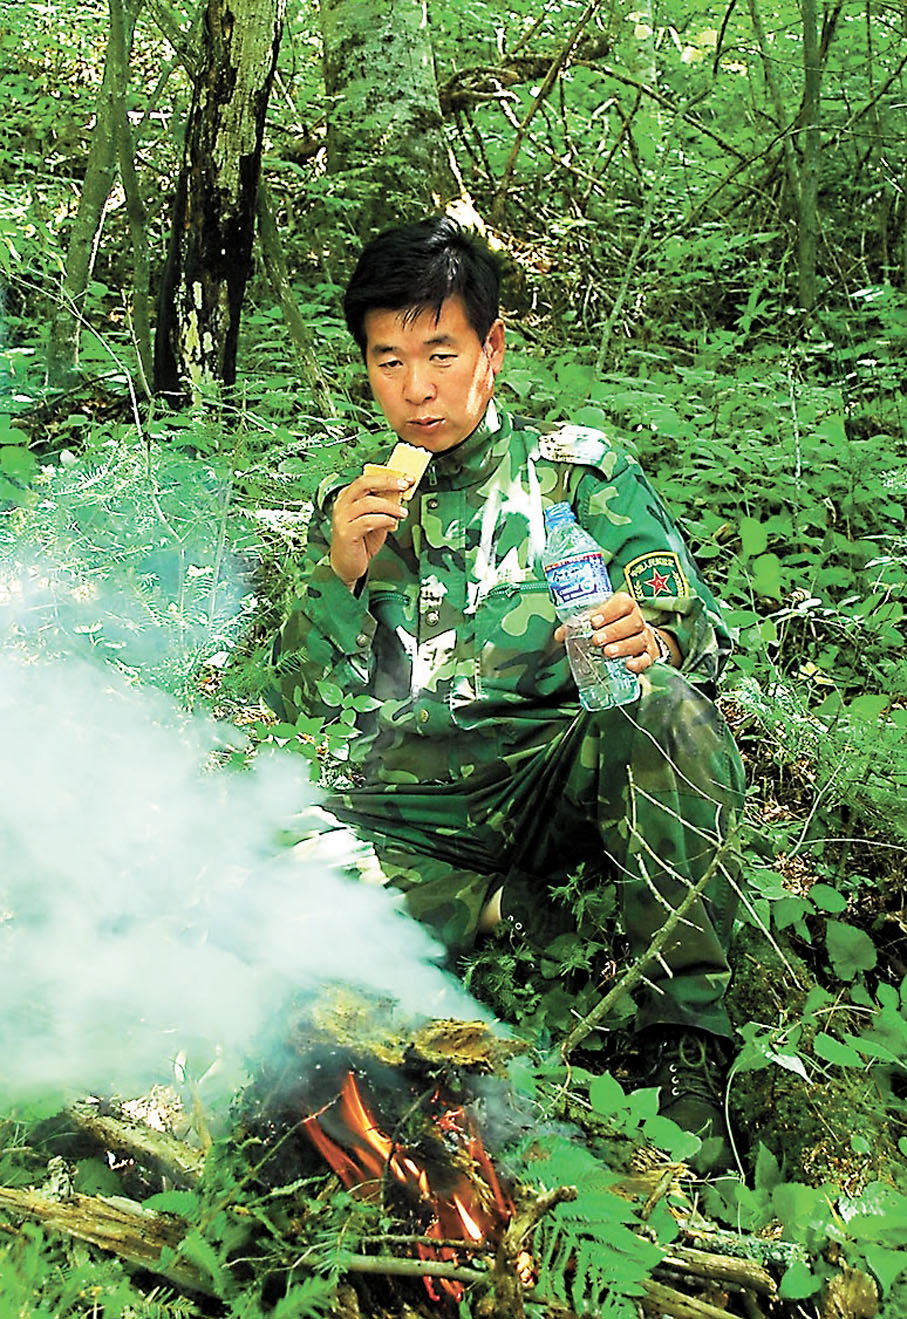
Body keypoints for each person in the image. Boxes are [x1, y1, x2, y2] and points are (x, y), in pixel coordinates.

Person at [271, 217, 746, 1172]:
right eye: (388, 360)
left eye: (440, 353)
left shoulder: (573, 473)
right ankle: (499, 910)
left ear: (491, 348)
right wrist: (337, 575)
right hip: (402, 808)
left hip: (545, 779)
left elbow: (698, 634)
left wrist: (650, 636)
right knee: (238, 838)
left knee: (668, 714)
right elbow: (301, 709)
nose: (416, 389)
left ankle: (687, 1042)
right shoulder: (358, 503)